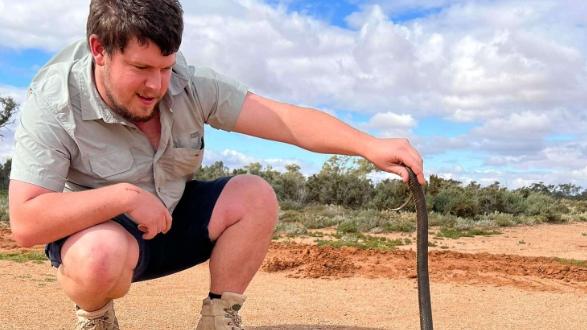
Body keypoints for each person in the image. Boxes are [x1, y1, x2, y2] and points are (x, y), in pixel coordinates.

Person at [8, 0, 425, 329]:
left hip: (171, 220)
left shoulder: (191, 85)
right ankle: (96, 317)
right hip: (104, 240)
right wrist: (124, 197)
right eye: (140, 68)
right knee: (98, 256)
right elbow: (26, 222)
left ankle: (218, 319)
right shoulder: (53, 101)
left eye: (165, 68)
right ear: (100, 50)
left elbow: (284, 120)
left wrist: (367, 144)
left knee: (254, 194)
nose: (156, 86)